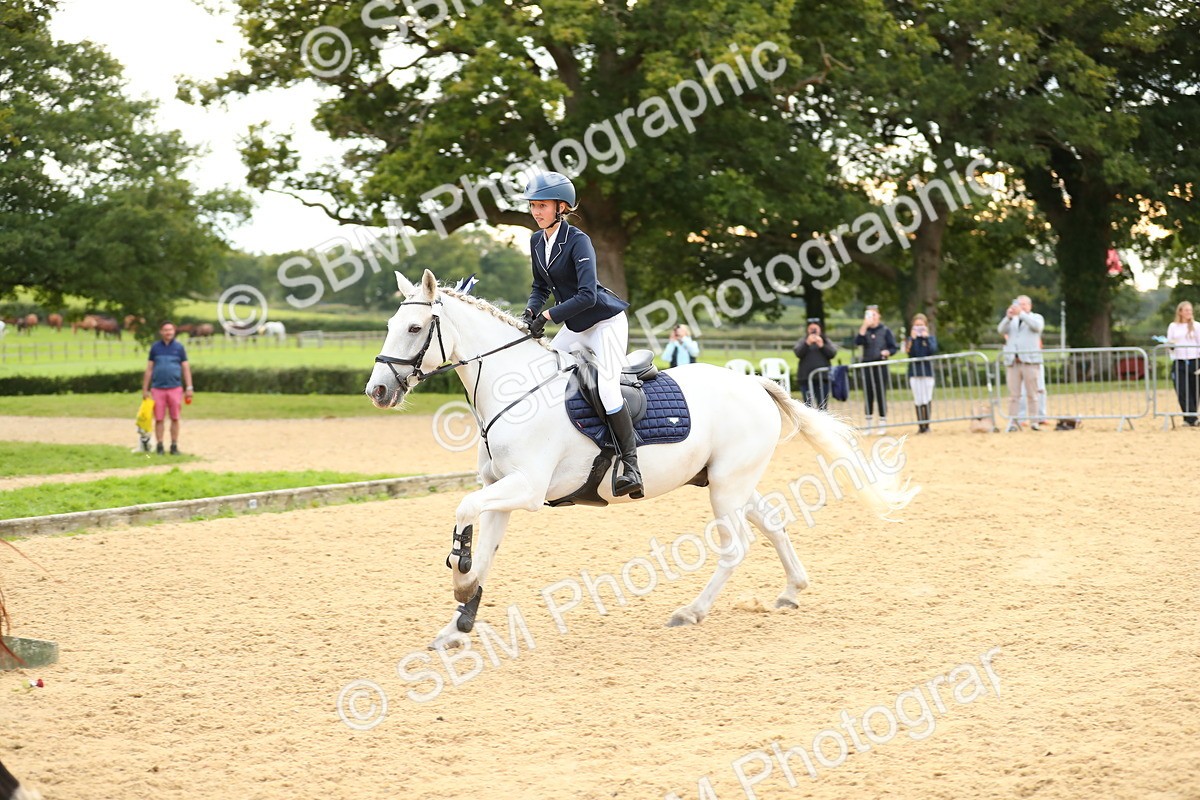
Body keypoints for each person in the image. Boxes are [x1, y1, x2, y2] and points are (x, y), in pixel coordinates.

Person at [521, 171, 643, 498]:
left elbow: (587, 295)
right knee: (541, 374)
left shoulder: (578, 241)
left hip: (605, 323)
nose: (536, 211)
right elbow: (540, 286)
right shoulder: (536, 241)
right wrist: (532, 311)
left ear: (561, 207)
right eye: (533, 205)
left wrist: (548, 315)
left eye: (542, 205)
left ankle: (631, 464)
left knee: (606, 387)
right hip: (575, 326)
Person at [141, 322, 193, 455]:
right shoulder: (155, 348)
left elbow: (185, 368)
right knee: (159, 418)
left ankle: (174, 445)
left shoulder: (179, 348)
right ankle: (159, 445)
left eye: (170, 330)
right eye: (165, 330)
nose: (168, 332)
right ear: (161, 332)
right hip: (158, 388)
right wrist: (145, 389)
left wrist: (189, 387)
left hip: (175, 388)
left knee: (175, 418)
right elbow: (149, 369)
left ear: (174, 331)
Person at [998, 295, 1045, 431]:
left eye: (1024, 304)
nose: (1021, 306)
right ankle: (1013, 422)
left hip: (1030, 361)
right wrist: (1007, 317)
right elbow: (1000, 330)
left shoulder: (1036, 318)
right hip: (1013, 362)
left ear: (1030, 306)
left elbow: (1037, 327)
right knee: (1014, 395)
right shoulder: (1012, 321)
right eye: (1019, 304)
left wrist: (1022, 315)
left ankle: (1034, 421)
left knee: (1033, 393)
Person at [854, 305, 897, 434]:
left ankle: (882, 421)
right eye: (868, 315)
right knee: (868, 394)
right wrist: (864, 326)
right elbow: (857, 342)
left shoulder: (885, 330)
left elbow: (893, 347)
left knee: (880, 393)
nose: (871, 317)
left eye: (873, 314)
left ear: (878, 316)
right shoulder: (865, 330)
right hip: (867, 365)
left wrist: (887, 352)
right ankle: (869, 423)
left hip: (880, 365)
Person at [1166, 300, 1200, 426]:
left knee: (1194, 390)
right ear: (1180, 312)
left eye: (1190, 310)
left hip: (1194, 360)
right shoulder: (1173, 326)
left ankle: (1190, 417)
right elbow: (1170, 343)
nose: (1189, 312)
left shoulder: (1196, 326)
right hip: (1179, 361)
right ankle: (1190, 418)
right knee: (1182, 389)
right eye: (1186, 310)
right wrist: (1171, 346)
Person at [904, 313, 938, 433]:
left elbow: (932, 350)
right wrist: (912, 339)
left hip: (927, 372)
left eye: (921, 325)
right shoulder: (910, 340)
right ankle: (920, 426)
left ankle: (927, 425)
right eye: (916, 325)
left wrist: (926, 338)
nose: (919, 327)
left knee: (926, 398)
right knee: (918, 399)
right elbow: (910, 352)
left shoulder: (930, 338)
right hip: (915, 372)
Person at [793, 318, 837, 409]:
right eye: (811, 329)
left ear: (820, 329)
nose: (813, 331)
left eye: (815, 329)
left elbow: (832, 353)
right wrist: (807, 343)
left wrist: (822, 346)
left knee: (822, 405)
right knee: (808, 405)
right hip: (806, 378)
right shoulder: (803, 341)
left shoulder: (825, 341)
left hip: (823, 378)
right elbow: (798, 353)